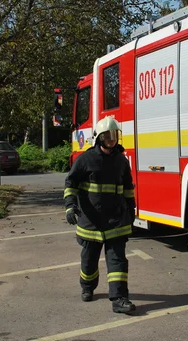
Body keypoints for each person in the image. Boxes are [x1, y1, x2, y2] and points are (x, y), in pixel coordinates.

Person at [63, 116, 137, 314]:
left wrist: (131, 212)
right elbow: (71, 184)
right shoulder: (85, 160)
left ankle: (120, 299)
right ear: (98, 138)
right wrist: (70, 207)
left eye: (114, 136)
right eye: (107, 136)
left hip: (116, 221)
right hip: (91, 222)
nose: (112, 140)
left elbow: (128, 189)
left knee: (118, 262)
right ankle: (87, 287)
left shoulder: (121, 161)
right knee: (88, 263)